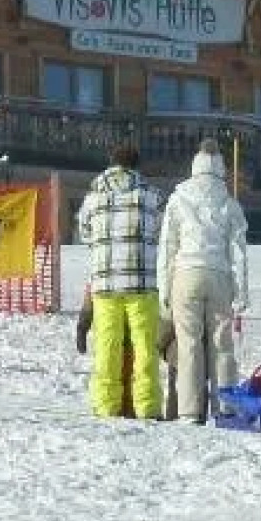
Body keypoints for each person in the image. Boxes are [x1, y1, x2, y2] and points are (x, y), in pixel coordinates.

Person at [156, 139, 250, 423]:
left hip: (185, 274)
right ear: (221, 167)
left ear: (194, 167)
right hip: (219, 275)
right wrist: (242, 290)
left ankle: (189, 410)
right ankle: (225, 408)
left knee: (188, 345)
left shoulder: (178, 198)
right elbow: (238, 250)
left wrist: (164, 287)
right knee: (222, 344)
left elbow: (167, 246)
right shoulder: (229, 202)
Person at [77, 142, 164, 418]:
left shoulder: (92, 197)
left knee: (107, 345)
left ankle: (106, 406)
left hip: (104, 284)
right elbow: (162, 229)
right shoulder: (151, 195)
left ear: (110, 163)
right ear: (137, 164)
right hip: (141, 283)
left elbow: (84, 233)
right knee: (144, 346)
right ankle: (147, 406)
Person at [76, 285, 176, 418]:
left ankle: (108, 407)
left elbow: (94, 278)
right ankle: (146, 408)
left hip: (108, 292)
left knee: (110, 353)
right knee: (143, 352)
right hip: (141, 291)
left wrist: (84, 319)